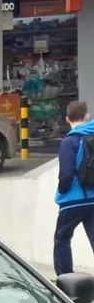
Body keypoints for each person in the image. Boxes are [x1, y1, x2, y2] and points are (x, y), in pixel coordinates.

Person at [54, 100, 94, 276]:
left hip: (72, 201)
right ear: (87, 116)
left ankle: (66, 279)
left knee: (62, 238)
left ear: (67, 119)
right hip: (93, 200)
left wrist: (62, 191)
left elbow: (66, 175)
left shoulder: (68, 142)